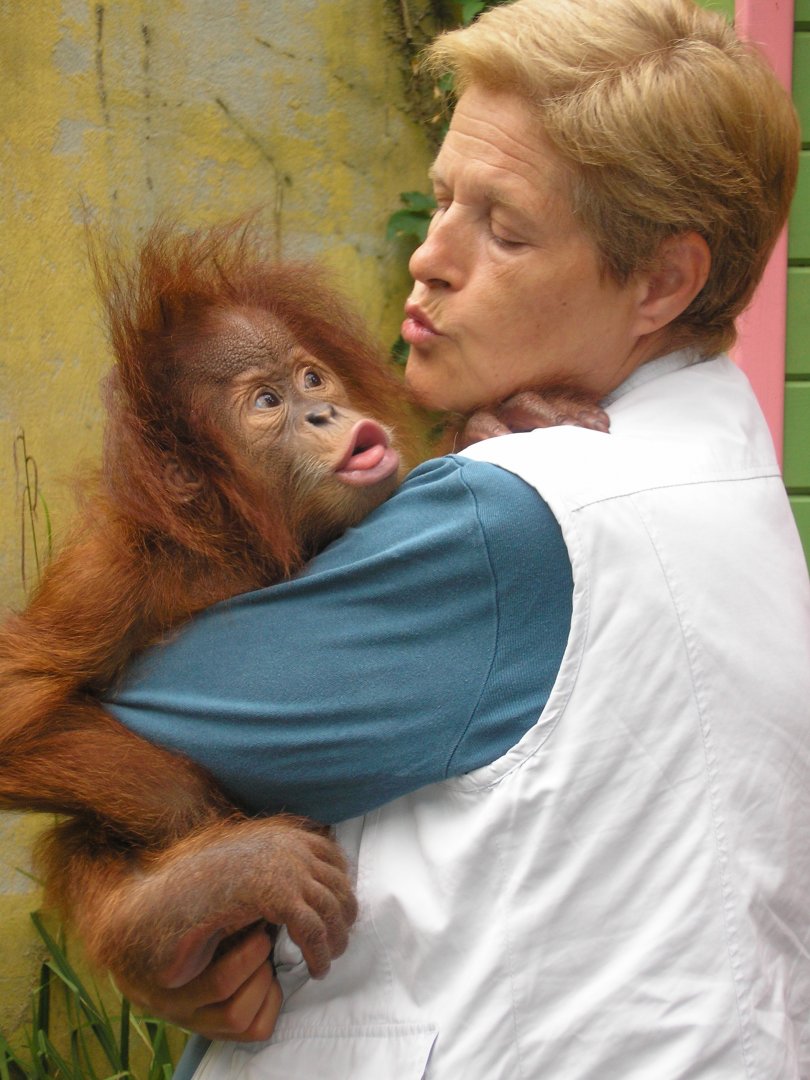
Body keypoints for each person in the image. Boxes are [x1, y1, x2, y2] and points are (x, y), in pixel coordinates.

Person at [99, 0, 810, 1075]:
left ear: (664, 282)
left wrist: (132, 914)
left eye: (504, 228)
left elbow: (84, 710)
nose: (430, 258)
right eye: (441, 201)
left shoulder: (514, 517)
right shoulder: (716, 472)